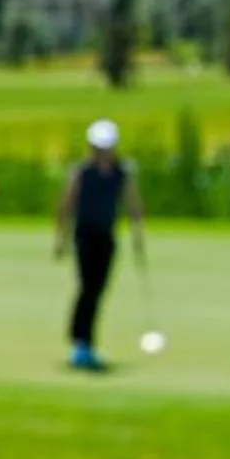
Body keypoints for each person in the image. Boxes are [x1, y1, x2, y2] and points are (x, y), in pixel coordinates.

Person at [53, 119, 147, 372]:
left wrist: (138, 237)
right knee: (88, 287)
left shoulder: (122, 172)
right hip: (84, 236)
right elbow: (66, 204)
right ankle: (81, 343)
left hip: (106, 237)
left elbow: (133, 205)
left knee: (99, 289)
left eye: (105, 147)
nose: (100, 151)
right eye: (96, 146)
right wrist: (60, 239)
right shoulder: (81, 171)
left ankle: (83, 342)